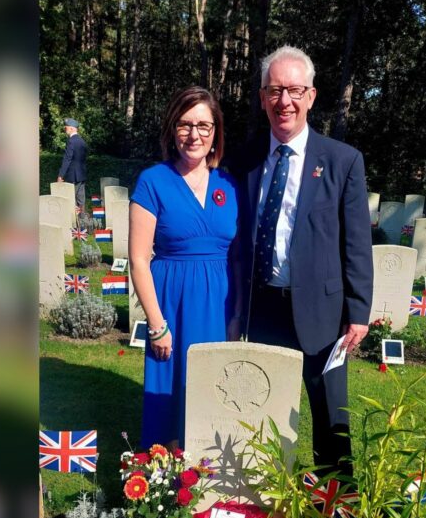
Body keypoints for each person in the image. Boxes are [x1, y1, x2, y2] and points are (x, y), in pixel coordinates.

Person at [228, 46, 373, 476]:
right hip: (264, 309)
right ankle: (266, 499)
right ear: (261, 98)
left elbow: (357, 242)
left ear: (311, 96)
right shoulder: (245, 159)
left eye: (294, 90)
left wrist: (359, 312)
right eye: (275, 91)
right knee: (261, 409)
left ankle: (337, 502)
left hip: (324, 314)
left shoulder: (342, 161)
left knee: (331, 417)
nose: (284, 101)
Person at [130, 86, 242, 449]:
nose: (194, 134)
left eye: (204, 126)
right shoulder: (152, 181)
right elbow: (138, 259)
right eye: (185, 124)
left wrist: (237, 319)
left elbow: (240, 256)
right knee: (169, 390)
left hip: (218, 305)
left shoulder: (230, 184)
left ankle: (208, 480)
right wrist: (156, 323)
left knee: (213, 392)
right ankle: (162, 485)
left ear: (215, 134)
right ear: (172, 130)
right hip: (170, 303)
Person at [57, 118, 88, 216]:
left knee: (70, 199)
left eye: (66, 127)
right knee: (81, 198)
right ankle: (82, 220)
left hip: (73, 175)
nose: (65, 129)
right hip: (81, 174)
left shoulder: (71, 141)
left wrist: (60, 175)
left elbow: (67, 159)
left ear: (71, 128)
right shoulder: (82, 141)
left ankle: (73, 222)